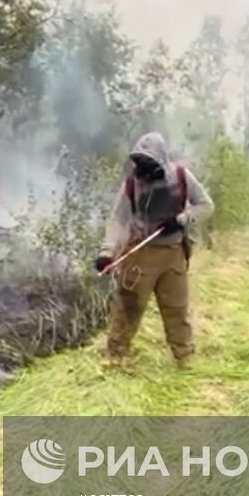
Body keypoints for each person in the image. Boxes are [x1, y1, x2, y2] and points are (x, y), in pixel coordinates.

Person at [95, 132, 213, 365]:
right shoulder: (132, 183)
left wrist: (181, 219)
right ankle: (115, 357)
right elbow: (119, 218)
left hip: (173, 255)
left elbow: (206, 205)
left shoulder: (181, 176)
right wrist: (107, 252)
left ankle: (185, 359)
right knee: (128, 307)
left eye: (148, 161)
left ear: (161, 159)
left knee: (176, 310)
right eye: (139, 161)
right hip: (140, 254)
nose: (143, 167)